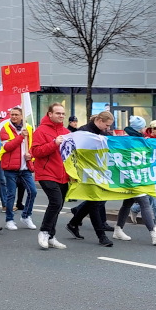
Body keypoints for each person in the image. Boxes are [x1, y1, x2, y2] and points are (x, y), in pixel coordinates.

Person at [64, 111, 116, 247]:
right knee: (95, 202)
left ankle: (73, 223)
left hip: (100, 172)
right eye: (106, 125)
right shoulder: (83, 132)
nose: (107, 128)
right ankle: (101, 236)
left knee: (95, 201)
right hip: (87, 173)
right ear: (99, 120)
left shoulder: (103, 133)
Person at [32, 103, 70, 250]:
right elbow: (36, 152)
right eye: (58, 113)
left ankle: (51, 236)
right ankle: (44, 231)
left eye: (62, 114)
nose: (61, 116)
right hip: (46, 172)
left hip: (62, 174)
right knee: (55, 202)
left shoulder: (66, 132)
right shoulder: (41, 131)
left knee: (59, 206)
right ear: (50, 114)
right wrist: (54, 143)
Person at [0, 107, 39, 230]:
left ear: (22, 116)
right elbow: (8, 147)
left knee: (33, 191)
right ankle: (9, 220)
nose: (14, 116)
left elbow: (32, 146)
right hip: (10, 168)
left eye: (16, 114)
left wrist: (30, 155)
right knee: (11, 195)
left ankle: (26, 216)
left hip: (25, 167)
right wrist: (21, 136)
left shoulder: (30, 128)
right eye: (12, 114)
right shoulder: (4, 128)